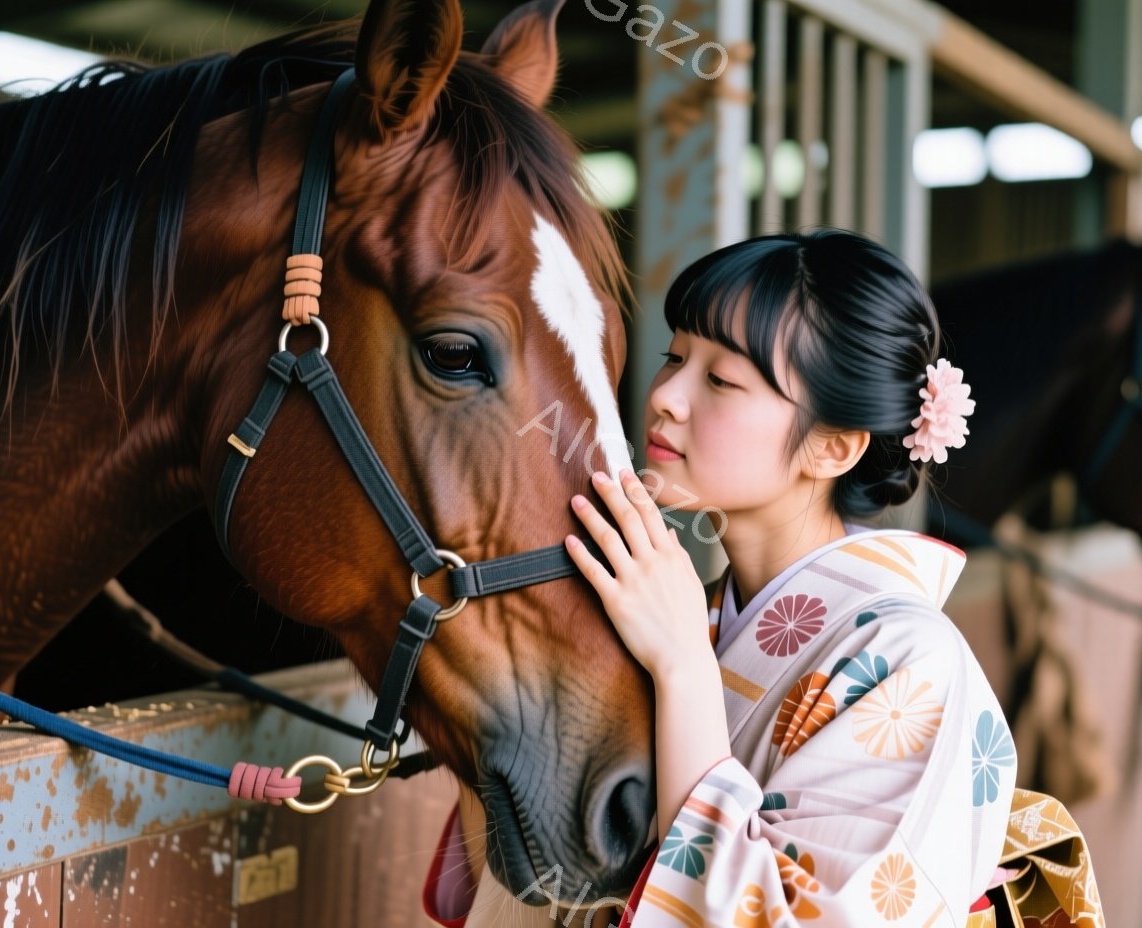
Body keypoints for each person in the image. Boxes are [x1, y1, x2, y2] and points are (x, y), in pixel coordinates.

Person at [423, 230, 1101, 927]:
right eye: (675, 356)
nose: (666, 397)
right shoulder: (671, 611)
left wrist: (685, 669)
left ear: (831, 446)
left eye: (721, 380)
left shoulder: (915, 665)